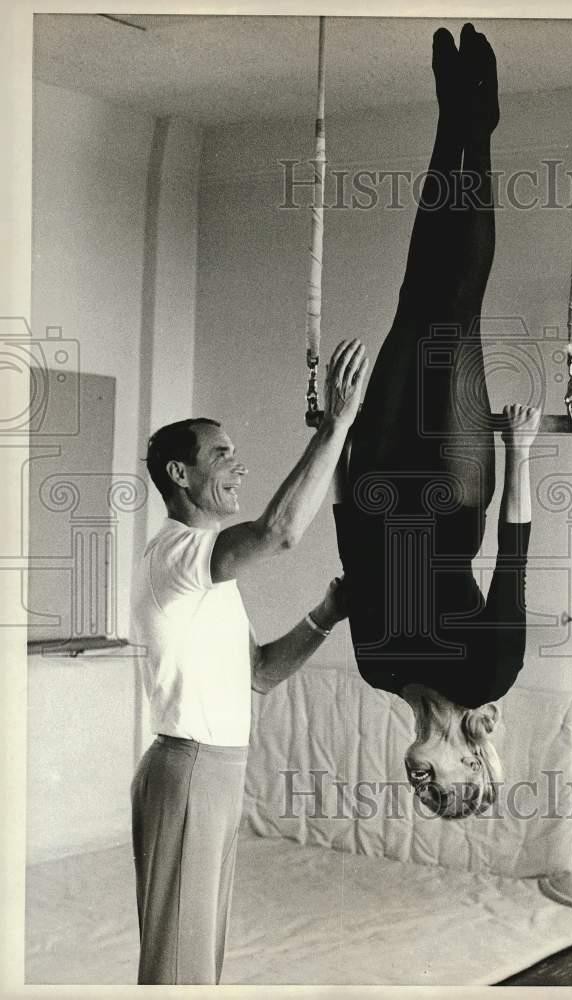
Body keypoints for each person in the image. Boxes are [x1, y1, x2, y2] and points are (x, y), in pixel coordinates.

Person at [334, 24, 540, 820]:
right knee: (452, 310)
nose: (419, 781)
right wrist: (520, 452)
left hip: (377, 477)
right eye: (440, 785)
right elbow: (513, 558)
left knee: (412, 297)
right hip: (454, 489)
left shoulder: (377, 672)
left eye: (417, 791)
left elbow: (355, 553)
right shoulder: (489, 677)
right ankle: (474, 130)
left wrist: (340, 447)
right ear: (471, 760)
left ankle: (454, 114)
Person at [129, 338, 368, 985]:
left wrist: (325, 614)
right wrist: (335, 424)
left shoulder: (208, 573)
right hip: (189, 769)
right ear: (180, 475)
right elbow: (278, 533)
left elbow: (259, 672)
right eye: (221, 454)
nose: (239, 465)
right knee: (178, 970)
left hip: (213, 772)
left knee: (195, 963)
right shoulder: (178, 554)